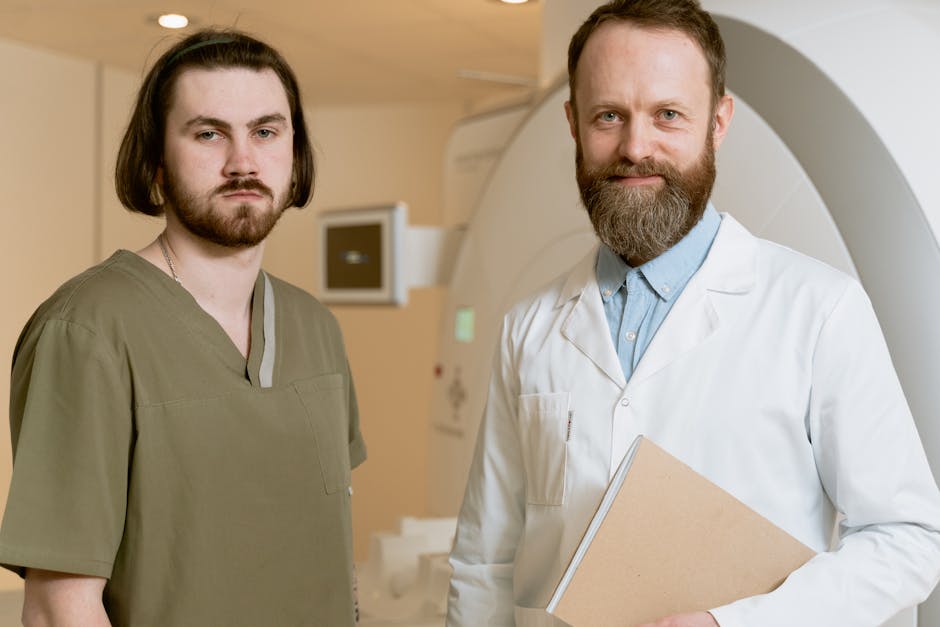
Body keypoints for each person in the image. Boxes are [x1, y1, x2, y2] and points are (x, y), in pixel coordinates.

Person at [446, 1, 940, 626]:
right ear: (573, 123)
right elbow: (484, 560)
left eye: (668, 115)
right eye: (609, 116)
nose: (635, 146)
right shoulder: (529, 328)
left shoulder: (819, 310)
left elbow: (908, 538)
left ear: (719, 122)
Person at [0, 29, 366, 626]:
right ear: (157, 162)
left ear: (294, 157)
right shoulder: (87, 332)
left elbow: (330, 546)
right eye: (208, 133)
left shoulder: (315, 327)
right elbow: (57, 608)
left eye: (266, 132)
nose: (243, 161)